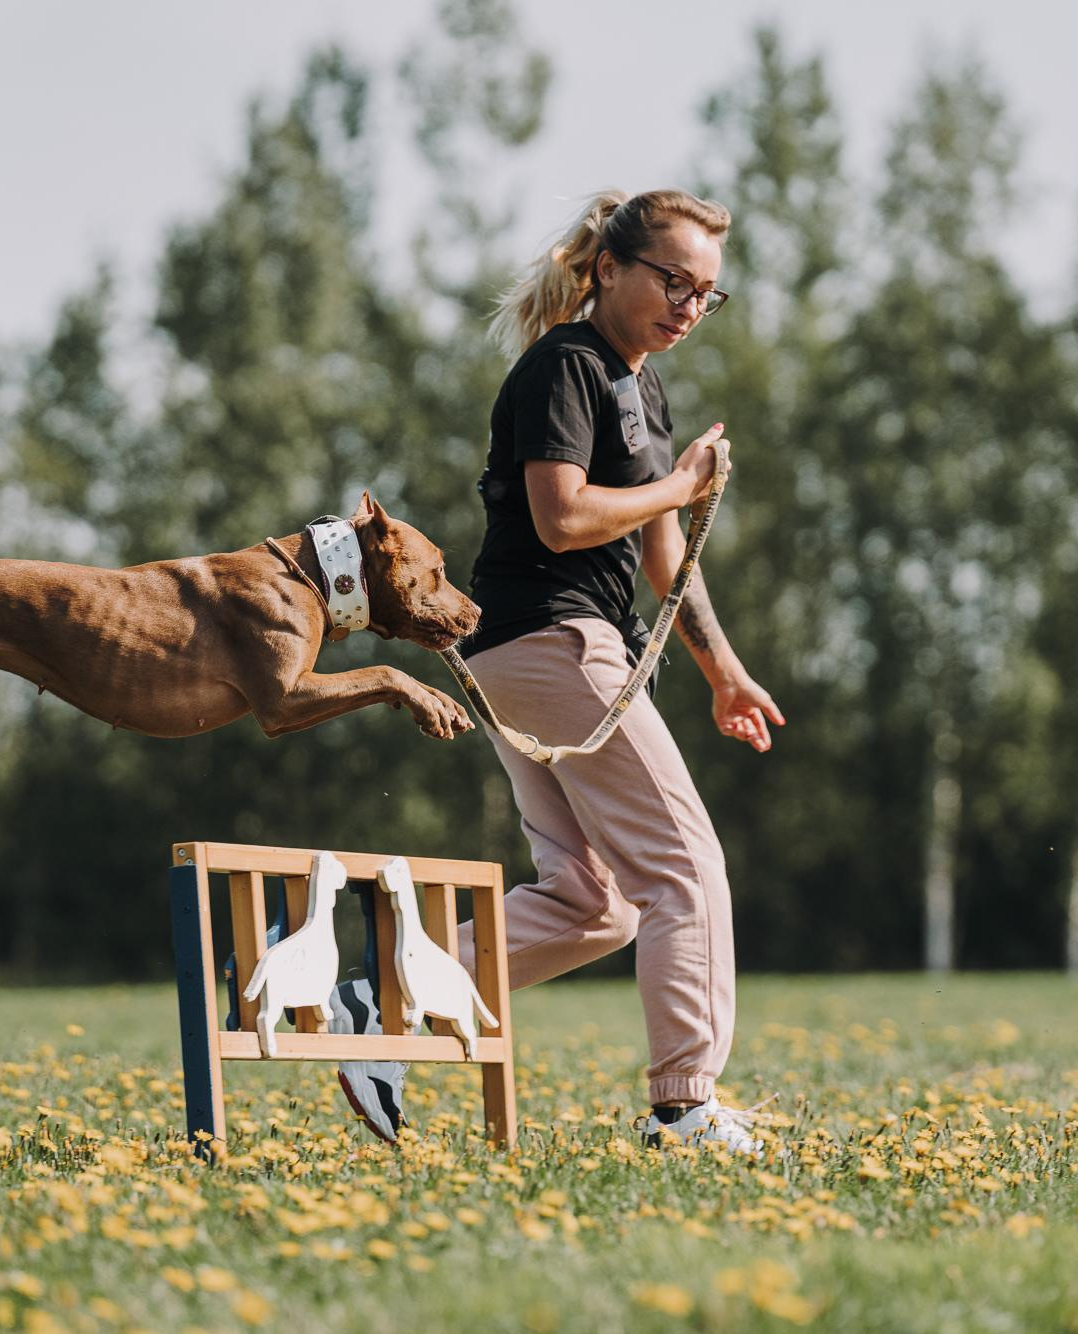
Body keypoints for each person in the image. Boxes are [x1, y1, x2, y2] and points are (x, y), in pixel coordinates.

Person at [335, 188, 785, 1153]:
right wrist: (684, 482)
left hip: (538, 653)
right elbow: (564, 518)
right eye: (673, 280)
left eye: (708, 294)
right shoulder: (566, 368)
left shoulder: (641, 386)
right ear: (609, 269)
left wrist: (724, 673)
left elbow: (664, 555)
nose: (688, 307)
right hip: (555, 641)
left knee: (597, 903)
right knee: (686, 870)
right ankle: (686, 1106)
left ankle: (382, 994)